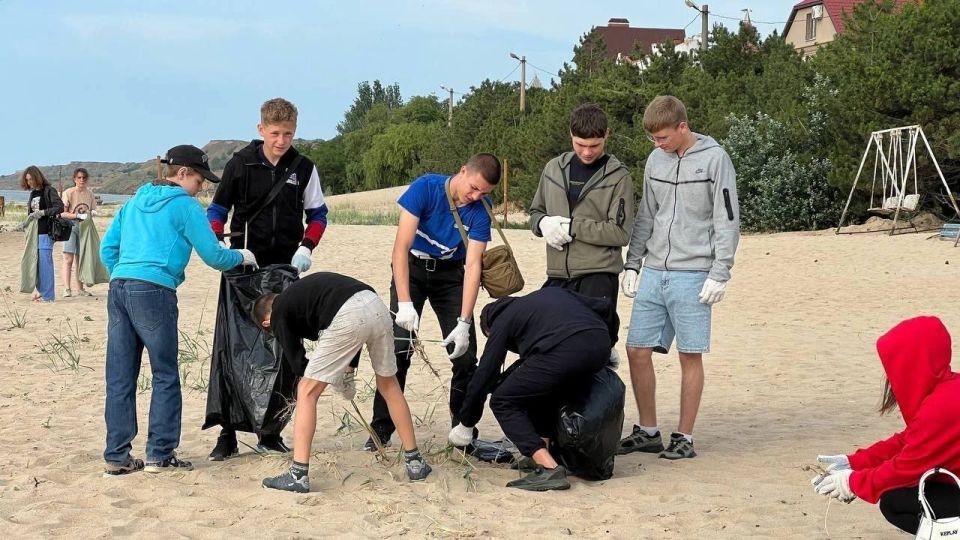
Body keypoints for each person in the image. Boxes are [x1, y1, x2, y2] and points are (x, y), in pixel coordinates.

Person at [100, 145, 257, 477]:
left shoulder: (133, 203)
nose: (202, 188)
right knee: (165, 374)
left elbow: (107, 248)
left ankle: (117, 456)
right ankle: (159, 453)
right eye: (200, 180)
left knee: (120, 375)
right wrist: (243, 256)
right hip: (154, 291)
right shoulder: (186, 207)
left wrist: (125, 271)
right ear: (183, 173)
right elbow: (214, 256)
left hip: (120, 287)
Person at [204, 97, 329, 460]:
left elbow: (318, 213)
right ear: (261, 130)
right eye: (275, 133)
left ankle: (271, 431)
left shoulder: (304, 168)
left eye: (288, 134)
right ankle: (227, 433)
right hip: (244, 268)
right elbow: (217, 210)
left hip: (286, 268)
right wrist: (222, 247)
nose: (281, 141)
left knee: (286, 349)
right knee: (233, 350)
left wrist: (307, 247)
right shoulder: (240, 164)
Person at [618, 95, 740, 460]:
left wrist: (720, 273)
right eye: (654, 140)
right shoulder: (656, 159)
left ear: (682, 127)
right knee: (636, 349)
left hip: (695, 272)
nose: (658, 145)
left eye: (664, 138)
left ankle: (684, 437)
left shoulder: (715, 159)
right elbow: (646, 215)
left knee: (690, 355)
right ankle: (648, 430)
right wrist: (633, 262)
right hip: (655, 269)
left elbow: (727, 218)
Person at [365, 153, 501, 451]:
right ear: (463, 171)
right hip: (412, 270)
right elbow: (400, 249)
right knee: (398, 349)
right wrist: (404, 303)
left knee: (465, 357)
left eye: (485, 193)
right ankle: (381, 429)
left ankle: (462, 428)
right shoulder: (425, 188)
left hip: (451, 276)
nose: (476, 196)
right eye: (474, 188)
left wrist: (464, 322)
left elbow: (475, 265)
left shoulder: (480, 209)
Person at [254, 272, 432, 493]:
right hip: (375, 304)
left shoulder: (278, 314)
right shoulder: (299, 296)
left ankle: (298, 475)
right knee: (389, 385)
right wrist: (347, 369)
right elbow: (341, 321)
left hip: (348, 315)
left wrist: (328, 377)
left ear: (266, 322)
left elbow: (299, 364)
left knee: (306, 392)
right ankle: (415, 462)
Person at [448, 288, 619, 491]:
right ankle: (541, 449)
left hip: (565, 349)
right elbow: (605, 305)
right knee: (540, 389)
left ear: (489, 327)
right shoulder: (548, 296)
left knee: (503, 400)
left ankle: (548, 467)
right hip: (598, 343)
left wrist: (466, 422)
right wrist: (610, 342)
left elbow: (485, 374)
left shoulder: (502, 320)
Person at [812, 316, 960, 535]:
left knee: (896, 500)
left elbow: (905, 468)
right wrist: (854, 462)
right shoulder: (948, 391)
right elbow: (908, 440)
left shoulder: (943, 406)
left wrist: (853, 482)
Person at [529, 103, 634, 304]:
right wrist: (542, 223)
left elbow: (620, 233)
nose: (586, 152)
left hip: (599, 277)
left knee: (594, 335)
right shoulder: (553, 168)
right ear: (570, 134)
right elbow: (535, 212)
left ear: (607, 135)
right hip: (557, 275)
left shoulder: (619, 177)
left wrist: (572, 226)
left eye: (594, 145)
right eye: (580, 144)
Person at [20, 166, 64, 303]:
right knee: (36, 264)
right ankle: (41, 292)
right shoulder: (33, 194)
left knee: (45, 264)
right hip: (34, 234)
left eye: (31, 179)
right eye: (27, 180)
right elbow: (31, 214)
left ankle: (48, 296)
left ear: (37, 177)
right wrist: (24, 224)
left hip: (46, 232)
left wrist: (43, 212)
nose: (30, 182)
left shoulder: (49, 190)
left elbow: (59, 207)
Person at [60, 167, 98, 297]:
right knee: (68, 258)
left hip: (85, 228)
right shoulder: (68, 193)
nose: (82, 180)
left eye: (84, 178)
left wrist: (92, 213)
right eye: (79, 177)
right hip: (70, 227)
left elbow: (92, 209)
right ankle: (66, 288)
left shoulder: (90, 194)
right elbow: (63, 213)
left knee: (81, 259)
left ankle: (80, 289)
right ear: (74, 179)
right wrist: (76, 215)